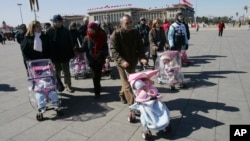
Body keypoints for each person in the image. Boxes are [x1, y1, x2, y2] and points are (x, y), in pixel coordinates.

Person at [110, 14, 148, 105]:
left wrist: (142, 57)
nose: (130, 24)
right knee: (128, 84)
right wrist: (122, 61)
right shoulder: (116, 34)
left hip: (132, 61)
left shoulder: (135, 32)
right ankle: (133, 105)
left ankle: (121, 94)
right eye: (127, 23)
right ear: (121, 24)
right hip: (122, 63)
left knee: (129, 80)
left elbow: (140, 47)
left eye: (131, 22)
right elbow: (113, 50)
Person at [79, 22, 108, 98]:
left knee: (97, 75)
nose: (89, 30)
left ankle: (97, 88)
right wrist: (77, 49)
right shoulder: (86, 38)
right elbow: (83, 49)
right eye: (88, 28)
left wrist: (102, 53)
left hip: (99, 59)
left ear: (96, 29)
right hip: (91, 60)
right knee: (94, 76)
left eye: (91, 28)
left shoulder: (101, 36)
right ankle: (97, 92)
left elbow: (105, 48)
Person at [46, 14, 75, 93]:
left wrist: (71, 53)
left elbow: (71, 43)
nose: (58, 23)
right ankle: (59, 85)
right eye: (56, 22)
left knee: (66, 71)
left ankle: (68, 85)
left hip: (65, 54)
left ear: (62, 22)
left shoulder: (66, 31)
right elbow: (46, 45)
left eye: (59, 21)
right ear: (53, 22)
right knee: (57, 71)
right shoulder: (49, 31)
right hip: (54, 56)